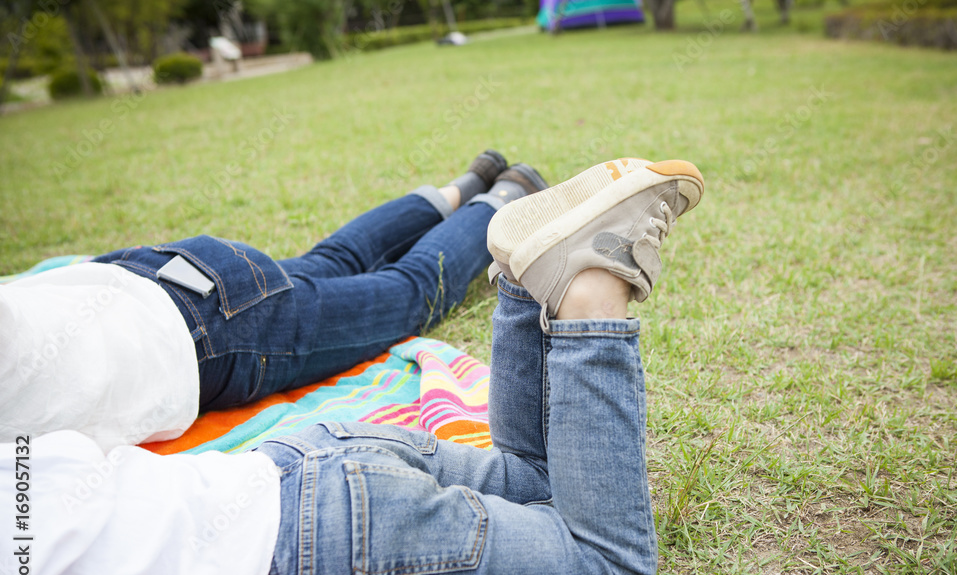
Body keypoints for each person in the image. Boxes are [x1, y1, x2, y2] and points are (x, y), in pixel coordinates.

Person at [0, 157, 704, 575]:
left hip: (322, 544)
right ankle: (520, 278)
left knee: (607, 562)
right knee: (530, 475)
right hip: (285, 466)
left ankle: (590, 296)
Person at [0, 151, 548, 452]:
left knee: (406, 294)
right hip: (146, 274)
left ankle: (499, 200)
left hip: (205, 335)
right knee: (329, 260)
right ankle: (466, 185)